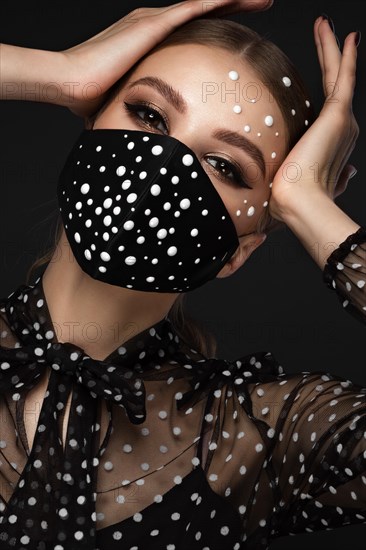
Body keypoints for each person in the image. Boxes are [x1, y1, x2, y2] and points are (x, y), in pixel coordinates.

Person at [0, 1, 365, 549]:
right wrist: (54, 74)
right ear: (91, 123)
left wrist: (307, 205)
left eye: (225, 167)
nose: (161, 165)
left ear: (238, 253)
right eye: (149, 116)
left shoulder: (257, 434)